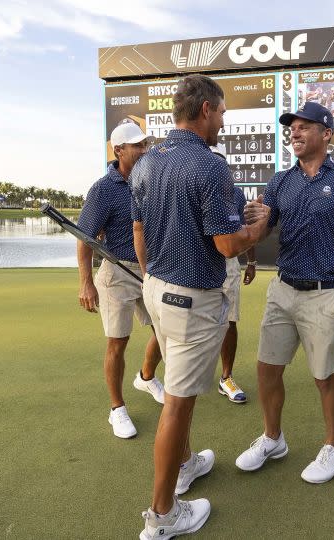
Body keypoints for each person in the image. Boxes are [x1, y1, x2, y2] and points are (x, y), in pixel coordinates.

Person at [132, 74, 269, 538]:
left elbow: (140, 232)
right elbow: (228, 244)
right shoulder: (210, 167)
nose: (224, 121)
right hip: (189, 301)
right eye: (223, 112)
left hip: (158, 288)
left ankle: (186, 463)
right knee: (178, 405)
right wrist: (260, 230)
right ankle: (163, 516)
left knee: (177, 390)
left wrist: (154, 277)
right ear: (206, 109)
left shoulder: (147, 162)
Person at [235, 101, 334, 484]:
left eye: (304, 127)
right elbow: (264, 231)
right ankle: (273, 439)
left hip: (324, 293)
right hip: (282, 289)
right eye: (291, 128)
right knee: (267, 369)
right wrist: (255, 224)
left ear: (326, 134)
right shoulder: (281, 181)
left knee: (324, 377)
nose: (294, 133)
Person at [77, 121, 165, 440]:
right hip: (116, 273)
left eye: (146, 145)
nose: (145, 150)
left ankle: (146, 377)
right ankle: (117, 408)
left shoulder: (152, 181)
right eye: (138, 146)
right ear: (119, 151)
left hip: (148, 270)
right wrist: (86, 282)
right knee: (118, 342)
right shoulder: (103, 189)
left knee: (163, 329)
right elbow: (85, 238)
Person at [210, 145, 257, 404]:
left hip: (228, 264)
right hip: (195, 265)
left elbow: (244, 230)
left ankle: (226, 377)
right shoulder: (189, 186)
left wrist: (252, 261)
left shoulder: (236, 194)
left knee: (229, 322)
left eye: (219, 162)